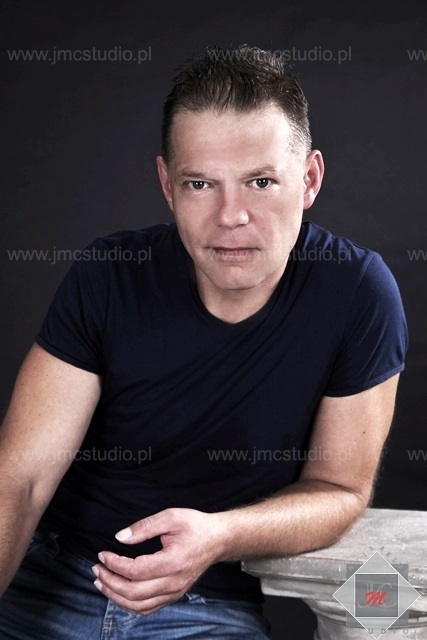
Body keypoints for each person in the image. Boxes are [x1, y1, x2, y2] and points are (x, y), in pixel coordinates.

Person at [0, 45, 408, 639]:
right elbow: (20, 480)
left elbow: (340, 489)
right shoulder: (110, 275)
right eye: (200, 184)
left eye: (261, 181)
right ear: (167, 185)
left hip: (206, 605)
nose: (230, 215)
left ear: (309, 180)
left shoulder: (358, 292)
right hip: (51, 580)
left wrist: (219, 535)